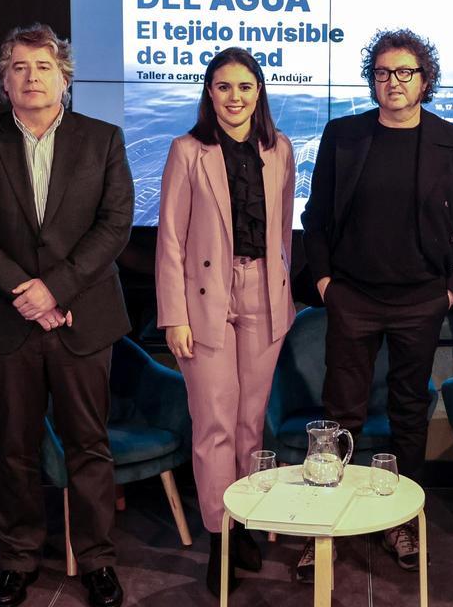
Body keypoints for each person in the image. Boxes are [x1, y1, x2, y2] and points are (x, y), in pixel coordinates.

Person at [0, 23, 132, 607]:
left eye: (44, 66)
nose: (33, 77)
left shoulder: (103, 139)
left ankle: (98, 561)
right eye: (20, 67)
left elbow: (114, 225)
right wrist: (22, 291)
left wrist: (53, 290)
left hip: (82, 316)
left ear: (65, 78)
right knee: (15, 449)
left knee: (89, 446)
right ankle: (18, 559)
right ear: (4, 81)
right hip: (5, 322)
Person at [299, 28, 453, 578]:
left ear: (424, 79)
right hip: (351, 296)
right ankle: (326, 523)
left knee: (409, 412)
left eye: (405, 72)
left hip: (421, 300)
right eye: (383, 72)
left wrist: (451, 291)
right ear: (373, 79)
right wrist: (326, 284)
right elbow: (316, 219)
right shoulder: (344, 135)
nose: (393, 82)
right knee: (341, 414)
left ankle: (400, 523)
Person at [155, 47, 296, 596]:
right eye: (223, 86)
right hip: (205, 300)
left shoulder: (280, 149)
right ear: (208, 93)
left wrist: (281, 289)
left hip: (265, 292)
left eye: (245, 86)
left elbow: (283, 232)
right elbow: (169, 242)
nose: (234, 97)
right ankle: (220, 537)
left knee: (250, 425)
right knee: (214, 424)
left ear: (258, 92)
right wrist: (175, 316)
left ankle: (247, 525)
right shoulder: (187, 151)